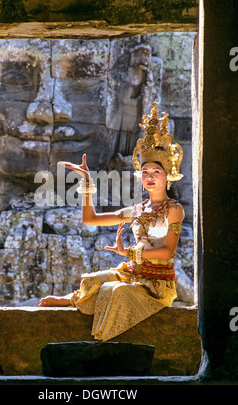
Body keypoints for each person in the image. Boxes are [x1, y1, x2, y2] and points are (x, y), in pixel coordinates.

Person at [39, 102, 185, 341]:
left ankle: (101, 344)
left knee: (114, 291)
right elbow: (91, 219)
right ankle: (72, 298)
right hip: (132, 273)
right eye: (145, 172)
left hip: (157, 285)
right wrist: (86, 182)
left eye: (156, 172)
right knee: (94, 280)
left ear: (168, 176)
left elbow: (167, 251)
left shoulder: (174, 209)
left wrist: (130, 253)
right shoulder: (137, 209)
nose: (149, 177)